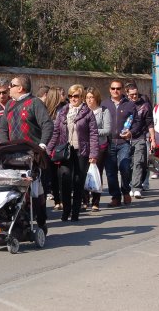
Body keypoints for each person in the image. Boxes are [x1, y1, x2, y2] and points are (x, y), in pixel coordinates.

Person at [0, 74, 53, 231]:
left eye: (11, 85)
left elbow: (47, 124)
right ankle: (20, 223)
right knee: (15, 191)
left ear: (20, 88)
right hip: (12, 155)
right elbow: (3, 128)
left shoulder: (35, 103)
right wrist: (4, 146)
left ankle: (41, 222)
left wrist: (42, 145)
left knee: (36, 191)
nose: (9, 87)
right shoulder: (9, 104)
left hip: (31, 155)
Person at [47, 84, 99, 222]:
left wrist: (93, 154)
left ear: (81, 97)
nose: (73, 99)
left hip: (82, 150)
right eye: (70, 96)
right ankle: (66, 211)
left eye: (76, 96)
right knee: (65, 180)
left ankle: (75, 212)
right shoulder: (63, 112)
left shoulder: (88, 112)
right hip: (65, 151)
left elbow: (94, 134)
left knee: (78, 181)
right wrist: (48, 149)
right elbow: (56, 132)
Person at [102, 79, 139, 207]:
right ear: (109, 90)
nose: (115, 91)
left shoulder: (130, 105)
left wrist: (131, 132)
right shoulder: (104, 104)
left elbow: (137, 123)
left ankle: (126, 192)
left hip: (124, 142)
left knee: (125, 167)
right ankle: (115, 197)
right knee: (110, 172)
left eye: (118, 88)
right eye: (113, 88)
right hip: (109, 142)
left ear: (123, 90)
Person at [125, 84, 155, 199]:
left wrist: (153, 139)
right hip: (126, 139)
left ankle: (136, 188)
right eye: (131, 94)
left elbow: (150, 124)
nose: (134, 96)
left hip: (140, 137)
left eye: (135, 94)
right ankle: (131, 183)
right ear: (127, 94)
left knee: (139, 161)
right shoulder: (124, 105)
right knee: (129, 163)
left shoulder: (145, 106)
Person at [85, 87, 111, 211]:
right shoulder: (83, 111)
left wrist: (92, 131)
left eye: (91, 97)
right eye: (87, 97)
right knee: (83, 172)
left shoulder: (103, 111)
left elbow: (107, 130)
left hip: (100, 146)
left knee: (97, 173)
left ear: (96, 98)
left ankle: (96, 202)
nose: (89, 100)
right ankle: (85, 200)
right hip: (85, 146)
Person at [44, 86, 68, 210]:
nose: (65, 95)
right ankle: (58, 200)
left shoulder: (65, 108)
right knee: (53, 175)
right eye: (62, 93)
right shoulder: (46, 110)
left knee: (61, 174)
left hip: (61, 145)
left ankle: (62, 200)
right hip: (51, 146)